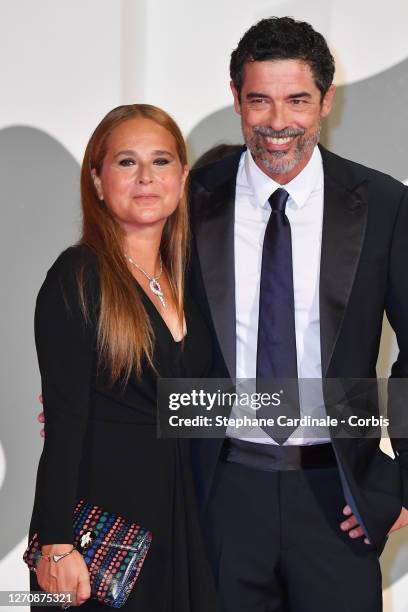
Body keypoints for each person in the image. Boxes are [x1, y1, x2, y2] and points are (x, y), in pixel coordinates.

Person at [187, 16, 408, 612]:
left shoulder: (384, 204)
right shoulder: (189, 202)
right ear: (236, 99)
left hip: (336, 493)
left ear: (326, 101)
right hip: (220, 492)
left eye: (297, 100)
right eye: (259, 100)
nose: (278, 122)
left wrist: (402, 484)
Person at [29, 104, 217, 611]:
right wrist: (56, 543)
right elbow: (64, 425)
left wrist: (356, 420)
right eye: (126, 163)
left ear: (182, 175)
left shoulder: (191, 281)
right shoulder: (77, 277)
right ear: (96, 180)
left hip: (185, 519)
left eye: (161, 161)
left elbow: (207, 403)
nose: (146, 178)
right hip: (102, 539)